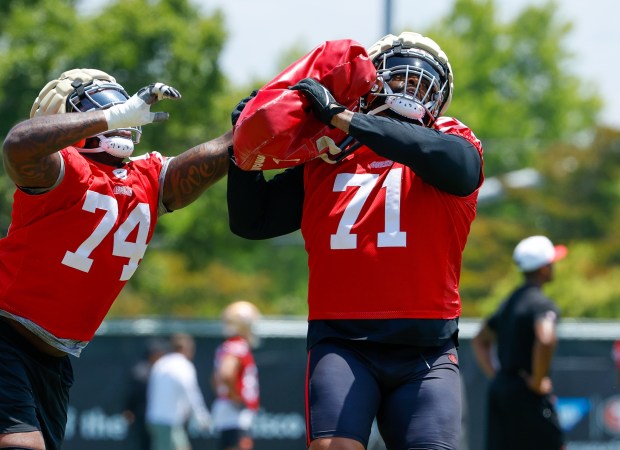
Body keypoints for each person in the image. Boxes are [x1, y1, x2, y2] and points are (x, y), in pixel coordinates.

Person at [227, 31, 484, 450]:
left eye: (421, 80)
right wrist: (244, 148)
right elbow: (252, 220)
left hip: (427, 349)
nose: (410, 87)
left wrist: (344, 118)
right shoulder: (331, 152)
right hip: (344, 343)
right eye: (398, 77)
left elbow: (458, 167)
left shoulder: (450, 140)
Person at [0, 68, 231, 450]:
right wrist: (111, 117)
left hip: (54, 359)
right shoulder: (62, 170)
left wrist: (255, 121)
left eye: (116, 101)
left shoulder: (145, 178)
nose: (120, 110)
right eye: (95, 103)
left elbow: (217, 153)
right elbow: (16, 144)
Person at [472, 235, 568, 450]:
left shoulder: (509, 302)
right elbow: (545, 338)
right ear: (543, 269)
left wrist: (497, 375)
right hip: (527, 392)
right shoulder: (541, 304)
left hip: (501, 389)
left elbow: (480, 340)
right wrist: (537, 380)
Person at [146, 333, 211, 450]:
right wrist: (202, 418)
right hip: (168, 421)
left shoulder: (161, 363)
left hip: (155, 419)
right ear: (184, 349)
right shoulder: (183, 365)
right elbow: (191, 392)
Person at [211, 300, 261, 450]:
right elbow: (226, 373)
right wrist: (235, 397)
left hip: (228, 410)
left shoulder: (226, 346)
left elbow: (215, 379)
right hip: (235, 414)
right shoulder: (237, 345)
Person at [123, 339, 169, 450]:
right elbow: (132, 395)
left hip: (159, 418)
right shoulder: (141, 372)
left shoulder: (164, 370)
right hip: (142, 417)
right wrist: (129, 410)